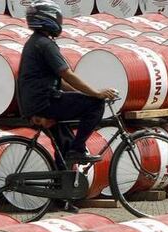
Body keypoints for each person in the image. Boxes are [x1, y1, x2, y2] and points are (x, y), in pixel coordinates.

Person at [17, 0, 119, 171]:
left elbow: (61, 82)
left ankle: (61, 189)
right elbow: (67, 74)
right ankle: (78, 150)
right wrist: (96, 94)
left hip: (36, 103)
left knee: (64, 142)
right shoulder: (45, 44)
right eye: (57, 17)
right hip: (45, 102)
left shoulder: (35, 42)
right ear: (48, 18)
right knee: (95, 105)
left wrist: (83, 93)